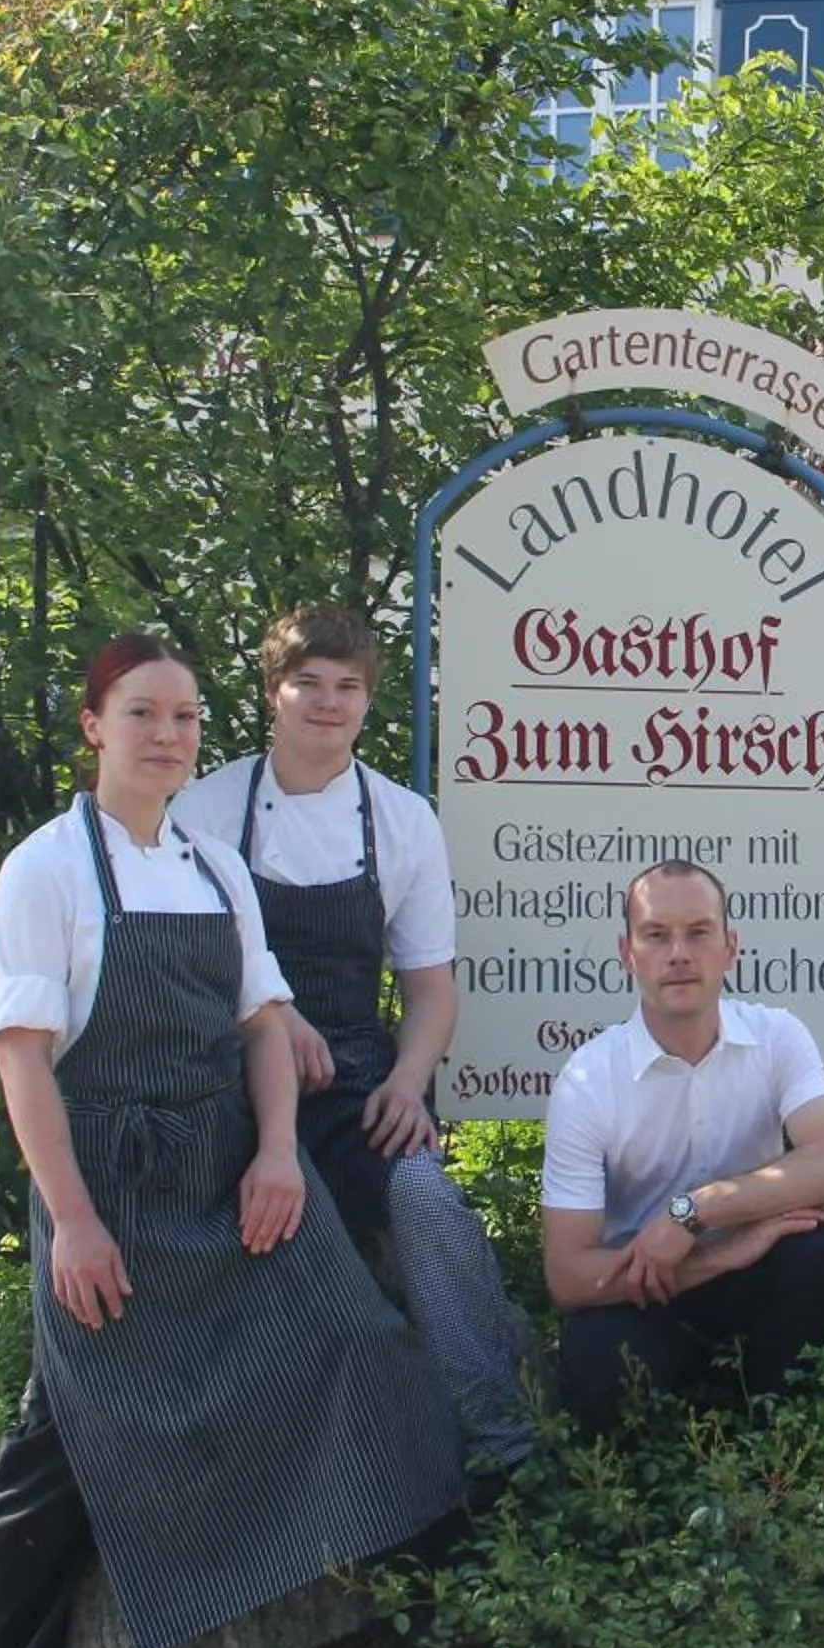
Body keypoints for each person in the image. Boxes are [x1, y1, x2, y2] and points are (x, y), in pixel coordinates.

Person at [0, 635, 465, 1648]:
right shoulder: (45, 868)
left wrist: (279, 1150)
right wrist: (72, 1223)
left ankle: (445, 1602)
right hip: (109, 1186)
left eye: (183, 716)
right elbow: (24, 1060)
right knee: (64, 1431)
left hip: (234, 1172)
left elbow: (264, 1026)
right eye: (142, 714)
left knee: (354, 1336)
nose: (167, 735)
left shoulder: (212, 868)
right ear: (94, 726)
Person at [173, 605, 535, 1470]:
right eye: (309, 684)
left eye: (349, 687)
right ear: (273, 692)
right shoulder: (206, 809)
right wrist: (273, 1013)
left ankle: (499, 1436)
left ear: (368, 701)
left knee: (424, 1199)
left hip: (356, 1077)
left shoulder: (402, 818)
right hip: (224, 1075)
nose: (328, 704)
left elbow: (431, 987)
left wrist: (408, 1083)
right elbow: (186, 968)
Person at [539, 860, 824, 1432]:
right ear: (627, 953)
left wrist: (694, 1212)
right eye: (657, 935)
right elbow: (568, 1277)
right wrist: (716, 1255)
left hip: (757, 1278)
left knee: (820, 1259)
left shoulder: (777, 1037)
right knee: (595, 1365)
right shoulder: (588, 1081)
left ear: (731, 946)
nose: (679, 954)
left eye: (698, 932)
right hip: (646, 1290)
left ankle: (783, 1451)